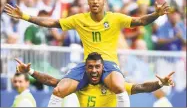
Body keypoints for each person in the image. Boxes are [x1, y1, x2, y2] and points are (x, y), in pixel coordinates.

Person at [4, 0, 170, 107]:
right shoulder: (79, 19)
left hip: (108, 64)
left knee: (120, 86)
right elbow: (53, 23)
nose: (95, 1)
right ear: (88, 1)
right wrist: (25, 16)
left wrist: (156, 14)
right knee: (58, 90)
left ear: (104, 1)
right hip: (88, 64)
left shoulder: (115, 18)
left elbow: (140, 21)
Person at [15, 52, 175, 107]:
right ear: (85, 68)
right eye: (90, 67)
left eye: (97, 67)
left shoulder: (113, 84)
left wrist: (160, 83)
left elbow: (140, 87)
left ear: (102, 68)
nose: (93, 70)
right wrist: (31, 71)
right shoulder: (79, 84)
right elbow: (52, 81)